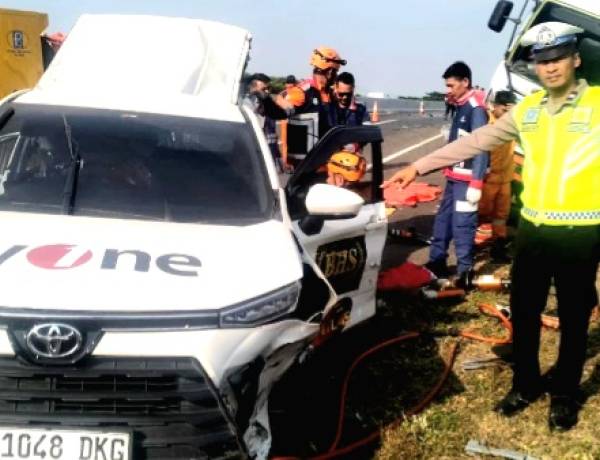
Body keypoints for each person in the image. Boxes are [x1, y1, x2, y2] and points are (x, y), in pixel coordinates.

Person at [383, 22, 600, 431]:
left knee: (573, 319)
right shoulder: (529, 109)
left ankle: (565, 394)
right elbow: (475, 141)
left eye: (557, 59)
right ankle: (526, 384)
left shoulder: (598, 104)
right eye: (542, 61)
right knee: (524, 311)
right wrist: (418, 165)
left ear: (575, 59)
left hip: (583, 233)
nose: (550, 67)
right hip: (533, 233)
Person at [424, 61, 489, 282]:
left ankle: (465, 271)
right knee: (442, 220)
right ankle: (437, 261)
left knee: (463, 224)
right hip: (453, 178)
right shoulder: (461, 104)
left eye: (451, 86)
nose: (448, 90)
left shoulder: (476, 108)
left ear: (465, 82)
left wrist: (477, 182)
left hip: (467, 180)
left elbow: (482, 145)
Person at [479, 90, 517, 262]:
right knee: (481, 213)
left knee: (501, 216)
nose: (507, 115)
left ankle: (498, 247)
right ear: (495, 107)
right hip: (488, 179)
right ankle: (471, 246)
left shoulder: (513, 123)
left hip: (505, 179)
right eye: (504, 111)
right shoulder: (484, 123)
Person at [246, 73, 283, 171]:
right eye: (263, 89)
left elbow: (272, 135)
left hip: (270, 158)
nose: (267, 91)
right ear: (253, 89)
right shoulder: (246, 106)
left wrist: (278, 158)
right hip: (254, 158)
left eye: (268, 89)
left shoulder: (268, 105)